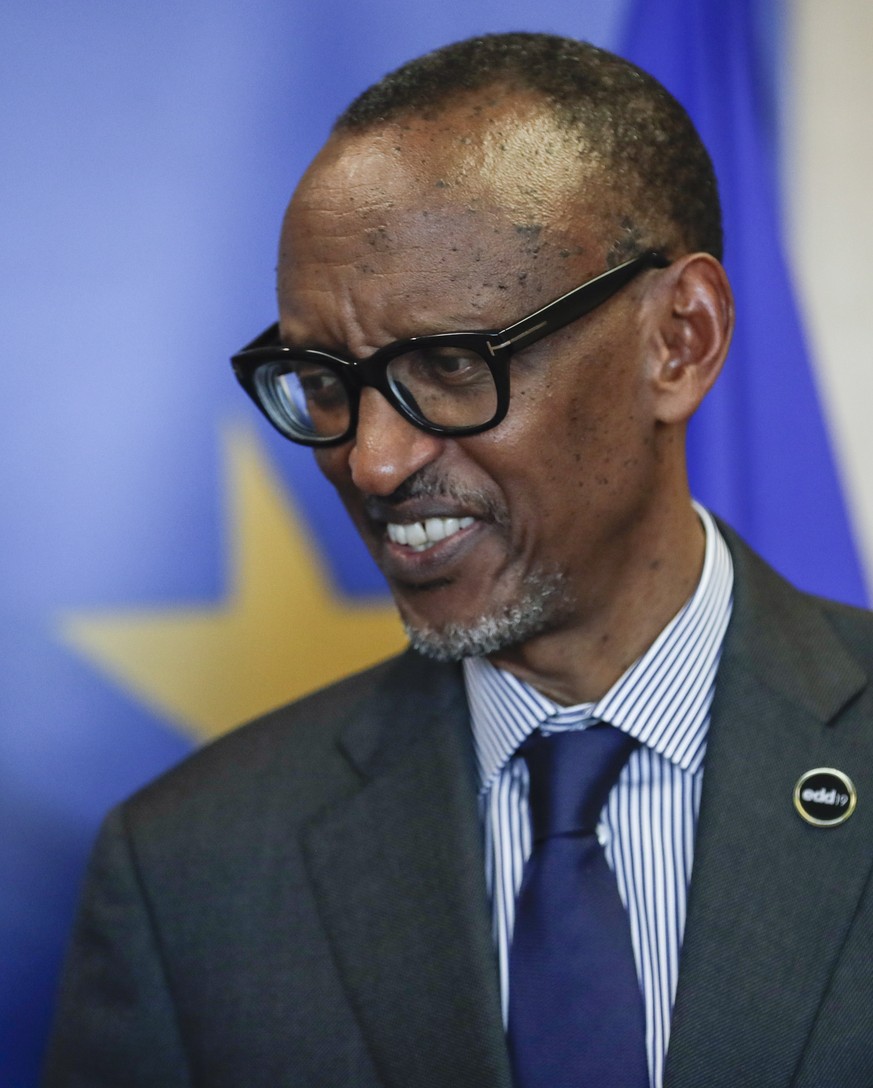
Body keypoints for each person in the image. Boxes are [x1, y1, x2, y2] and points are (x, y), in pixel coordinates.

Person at [44, 33, 873, 1088]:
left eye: (449, 363)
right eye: (324, 378)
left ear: (681, 338)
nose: (372, 460)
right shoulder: (186, 875)